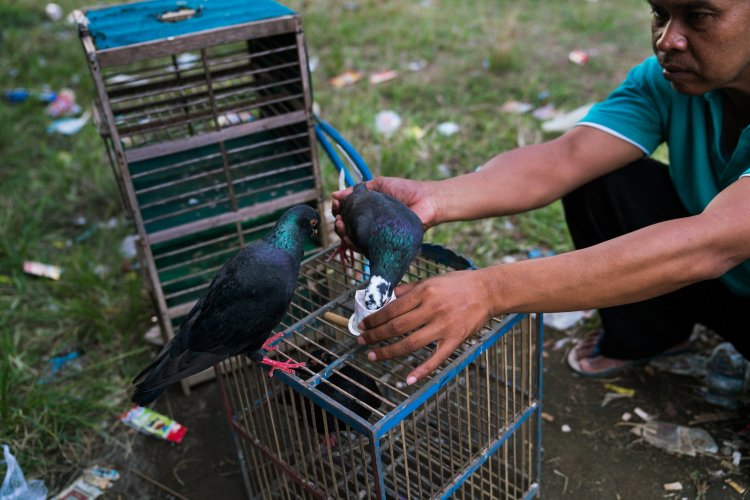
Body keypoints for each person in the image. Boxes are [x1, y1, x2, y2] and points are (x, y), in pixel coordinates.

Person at [332, 0, 750, 385]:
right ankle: (653, 335)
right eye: (660, 13)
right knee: (603, 179)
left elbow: (711, 243)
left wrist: (490, 290)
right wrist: (434, 197)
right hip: (722, 279)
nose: (667, 40)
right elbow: (565, 157)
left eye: (698, 16)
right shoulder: (666, 82)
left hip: (721, 261)